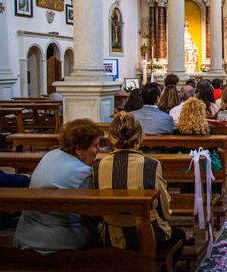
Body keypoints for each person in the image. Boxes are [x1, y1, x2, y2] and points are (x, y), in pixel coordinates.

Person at [93, 112, 186, 265]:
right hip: (148, 235)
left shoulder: (98, 166)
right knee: (180, 235)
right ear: (139, 137)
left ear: (111, 137)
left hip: (112, 236)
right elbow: (163, 208)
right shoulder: (151, 165)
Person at [14, 119, 104, 254]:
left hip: (25, 232)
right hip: (60, 238)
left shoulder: (50, 155)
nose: (99, 149)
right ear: (79, 149)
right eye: (95, 145)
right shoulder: (82, 172)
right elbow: (91, 212)